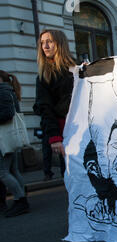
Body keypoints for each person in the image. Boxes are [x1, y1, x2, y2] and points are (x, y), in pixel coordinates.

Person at [36, 29, 76, 172]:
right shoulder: (44, 76)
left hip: (84, 128)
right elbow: (45, 108)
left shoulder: (76, 68)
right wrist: (54, 137)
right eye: (42, 43)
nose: (45, 46)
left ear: (59, 43)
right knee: (70, 174)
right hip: (64, 131)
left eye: (49, 42)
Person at [0, 70, 28, 217]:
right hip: (10, 136)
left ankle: (20, 200)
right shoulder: (8, 90)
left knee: (3, 172)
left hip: (5, 137)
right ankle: (21, 198)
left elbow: (7, 114)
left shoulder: (2, 91)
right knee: (13, 170)